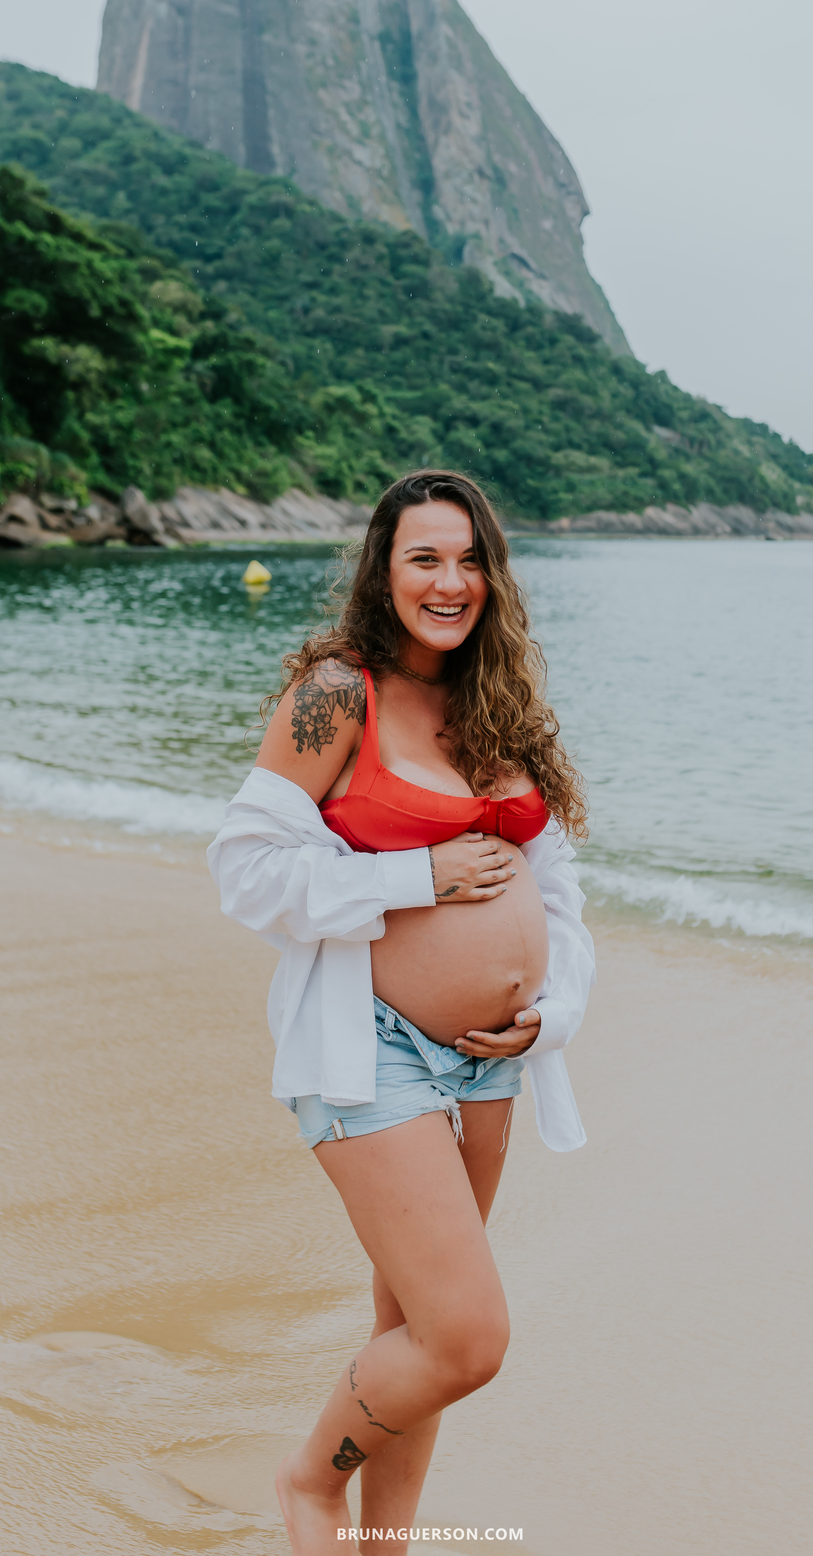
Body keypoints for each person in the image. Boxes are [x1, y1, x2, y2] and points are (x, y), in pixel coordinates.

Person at [208, 470, 595, 1555]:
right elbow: (244, 871)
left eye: (471, 559)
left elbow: (559, 901)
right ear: (384, 569)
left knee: (413, 1329)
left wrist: (552, 1009)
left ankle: (382, 1548)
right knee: (468, 1338)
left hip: (488, 1064)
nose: (451, 579)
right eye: (426, 556)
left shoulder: (498, 709)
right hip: (369, 1051)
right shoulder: (339, 693)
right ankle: (309, 1485)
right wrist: (412, 878)